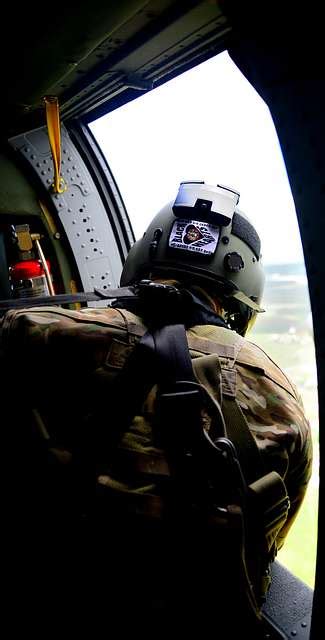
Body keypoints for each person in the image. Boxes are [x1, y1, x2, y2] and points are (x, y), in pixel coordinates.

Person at [1, 181, 312, 636]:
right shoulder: (280, 398)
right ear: (244, 292)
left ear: (144, 254)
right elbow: (268, 541)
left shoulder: (31, 333)